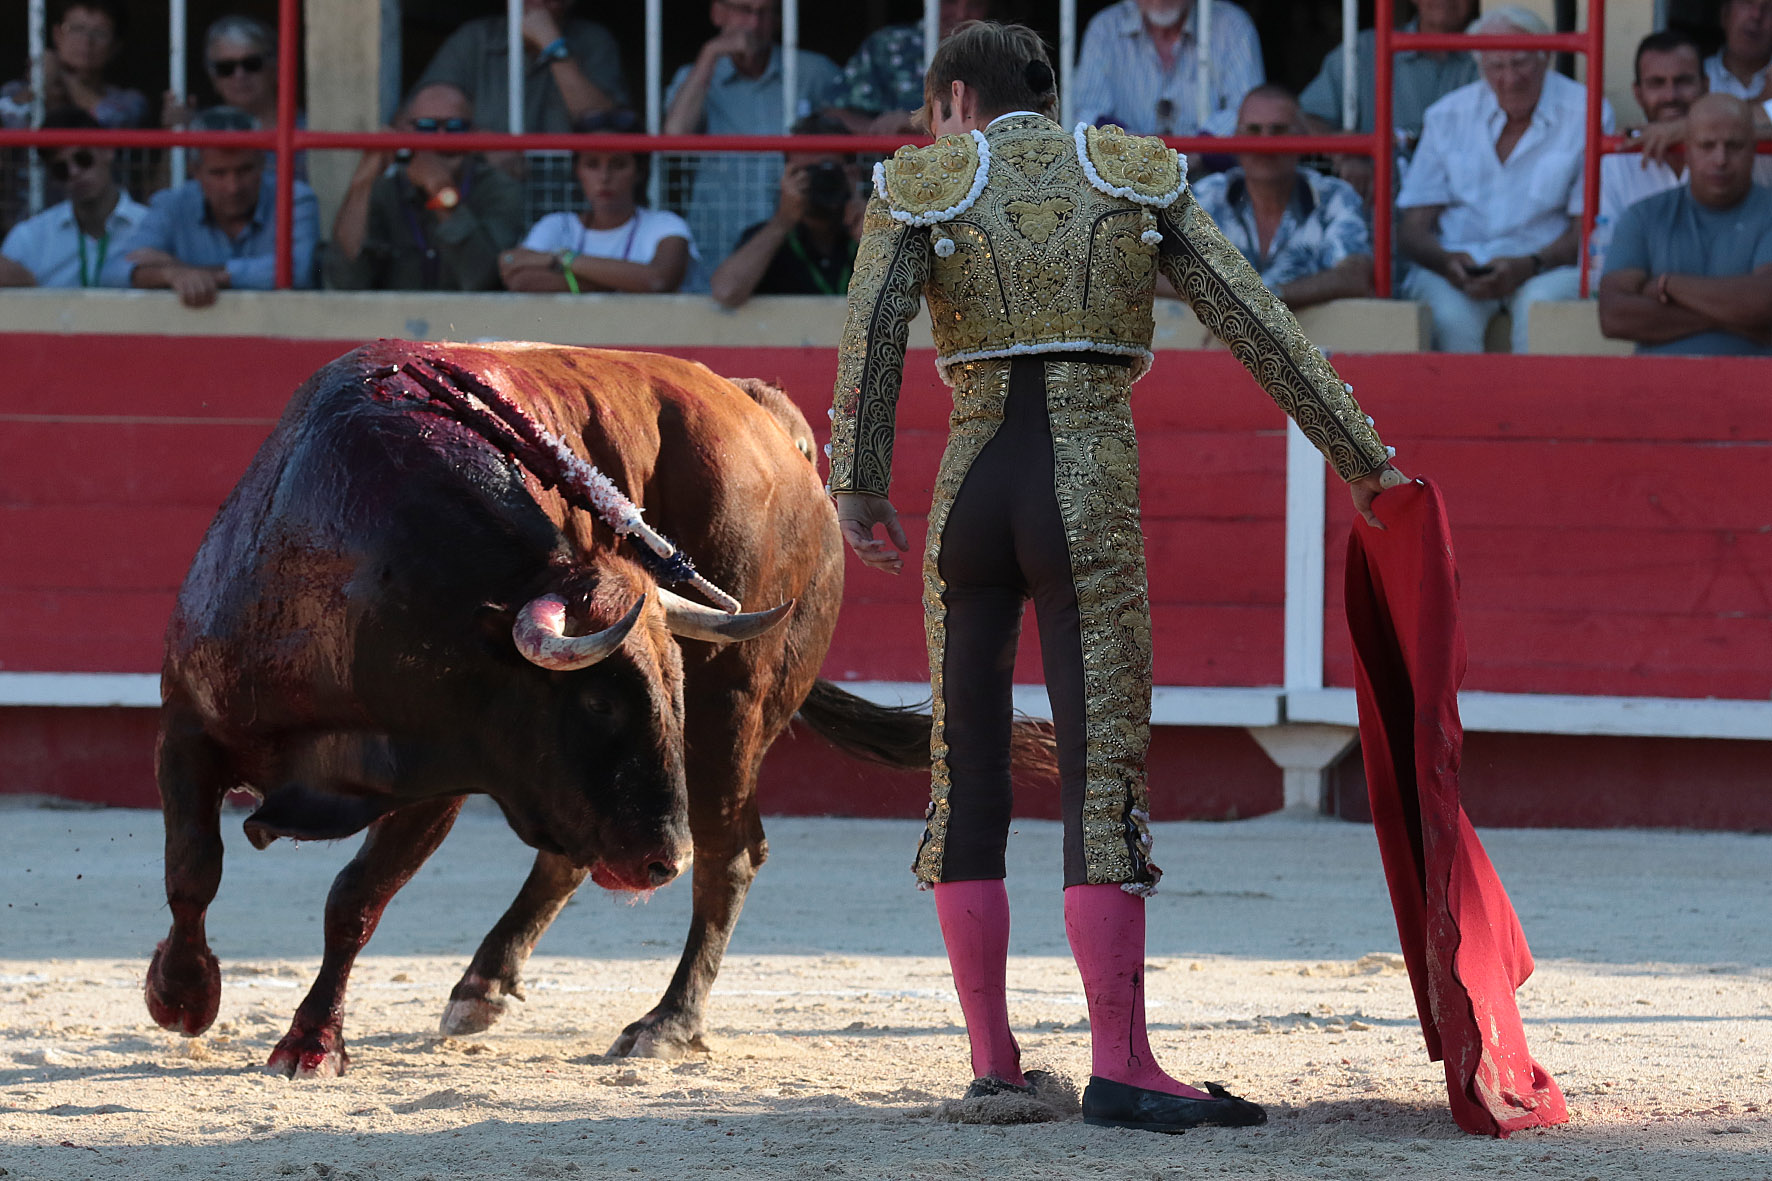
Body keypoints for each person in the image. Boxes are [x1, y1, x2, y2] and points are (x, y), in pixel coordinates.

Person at [828, 21, 1402, 1133]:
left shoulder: (921, 183)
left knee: (967, 768)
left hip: (968, 491)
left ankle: (995, 1065)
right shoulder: (1125, 171)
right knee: (1103, 772)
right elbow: (1255, 320)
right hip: (1081, 479)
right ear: (1048, 96)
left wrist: (856, 483)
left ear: (953, 97)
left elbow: (871, 334)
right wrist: (1362, 459)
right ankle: (1122, 1060)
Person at [1397, 7, 1614, 353]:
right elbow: (1413, 228)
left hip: (1546, 266)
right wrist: (1448, 264)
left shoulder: (1587, 111)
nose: (1510, 79)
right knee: (1450, 319)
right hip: (1460, 269)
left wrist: (1530, 265)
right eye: (1496, 66)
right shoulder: (1447, 115)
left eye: (1520, 63)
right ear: (1479, 65)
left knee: (1541, 310)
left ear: (1545, 58)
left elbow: (1586, 228)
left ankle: (1532, 408)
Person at [665, 0, 842, 278]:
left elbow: (850, 138)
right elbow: (674, 138)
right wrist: (710, 54)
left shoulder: (814, 71)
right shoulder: (696, 74)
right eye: (743, 10)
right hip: (719, 231)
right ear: (717, 13)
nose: (754, 24)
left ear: (779, 20)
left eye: (765, 12)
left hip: (798, 238)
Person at [1598, 94, 1772, 355]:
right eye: (1707, 146)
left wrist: (1666, 285)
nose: (1720, 159)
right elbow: (1614, 315)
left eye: (1734, 146)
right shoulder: (1643, 216)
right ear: (1687, 150)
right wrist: (1739, 317)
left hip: (1754, 390)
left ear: (1752, 150)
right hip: (1659, 389)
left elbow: (1764, 303)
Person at [102, 106, 317, 304]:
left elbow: (298, 271)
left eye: (244, 171)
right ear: (195, 171)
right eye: (218, 173)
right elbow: (113, 272)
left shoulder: (295, 198)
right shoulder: (173, 204)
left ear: (262, 164)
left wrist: (186, 270)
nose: (233, 187)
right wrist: (170, 274)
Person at [1188, 86, 1373, 309]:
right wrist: (1227, 296)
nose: (1266, 143)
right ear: (1235, 139)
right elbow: (1153, 270)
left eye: (1279, 130)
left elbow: (1355, 275)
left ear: (1303, 140)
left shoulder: (1334, 197)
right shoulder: (1207, 195)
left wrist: (1263, 299)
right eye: (1253, 130)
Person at [326, 84, 524, 292]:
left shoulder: (500, 190)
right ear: (405, 131)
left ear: (473, 133)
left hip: (467, 321)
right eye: (427, 127)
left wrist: (441, 192)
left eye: (454, 127)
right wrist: (362, 182)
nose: (440, 140)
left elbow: (483, 281)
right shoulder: (385, 190)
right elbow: (344, 279)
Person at [1297, 0, 1478, 205]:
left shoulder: (1495, 59)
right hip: (1377, 206)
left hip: (1466, 207)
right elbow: (1303, 118)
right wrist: (1348, 151)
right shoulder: (1364, 50)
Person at [499, 109, 696, 294]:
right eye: (592, 164)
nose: (604, 177)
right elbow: (517, 275)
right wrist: (626, 283)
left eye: (618, 165)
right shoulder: (557, 225)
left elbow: (658, 281)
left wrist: (561, 259)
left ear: (639, 172)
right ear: (578, 171)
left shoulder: (664, 224)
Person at [709, 114, 859, 307]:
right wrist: (782, 221)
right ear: (786, 178)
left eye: (827, 170)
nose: (817, 181)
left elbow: (908, 297)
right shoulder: (768, 237)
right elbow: (725, 292)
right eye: (806, 173)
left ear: (852, 175)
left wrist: (871, 236)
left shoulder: (874, 233)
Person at [412, 0, 626, 134]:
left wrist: (552, 45)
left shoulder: (594, 41)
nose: (538, 5)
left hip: (573, 195)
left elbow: (605, 126)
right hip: (488, 192)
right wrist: (486, 147)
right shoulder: (474, 39)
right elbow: (414, 119)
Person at [0, 107, 147, 287]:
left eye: (83, 159)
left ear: (108, 150)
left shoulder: (151, 226)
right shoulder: (29, 238)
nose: (74, 172)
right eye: (60, 169)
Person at [1071, 0, 1264, 136]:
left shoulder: (1232, 26)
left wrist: (1199, 152)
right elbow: (1086, 112)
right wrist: (1135, 147)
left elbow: (1249, 113)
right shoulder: (1105, 28)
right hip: (1124, 176)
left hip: (1211, 179)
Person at [823, 0, 991, 135]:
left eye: (975, 5)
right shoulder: (889, 45)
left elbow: (1007, 121)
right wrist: (879, 130)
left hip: (975, 171)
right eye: (950, 2)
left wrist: (919, 124)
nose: (962, 14)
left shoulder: (995, 54)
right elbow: (832, 113)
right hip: (888, 170)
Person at [0, 0, 147, 129]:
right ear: (57, 35)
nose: (87, 41)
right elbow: (8, 121)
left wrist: (62, 76)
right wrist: (37, 90)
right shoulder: (13, 90)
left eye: (100, 33)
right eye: (77, 29)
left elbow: (116, 120)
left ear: (115, 46)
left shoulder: (129, 100)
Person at [1705, 0, 1772, 100]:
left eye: (1770, 8)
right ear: (1724, 14)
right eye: (1747, 2)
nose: (1756, 15)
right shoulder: (1696, 73)